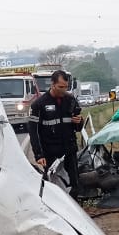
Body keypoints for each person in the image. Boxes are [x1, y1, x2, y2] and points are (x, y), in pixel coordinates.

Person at [28, 69, 83, 197]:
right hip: (50, 152)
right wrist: (38, 154)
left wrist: (79, 121)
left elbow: (78, 127)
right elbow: (33, 131)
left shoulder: (71, 100)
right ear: (52, 84)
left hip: (69, 149)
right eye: (60, 87)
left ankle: (76, 208)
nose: (64, 90)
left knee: (74, 183)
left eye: (66, 87)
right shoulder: (39, 104)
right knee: (54, 186)